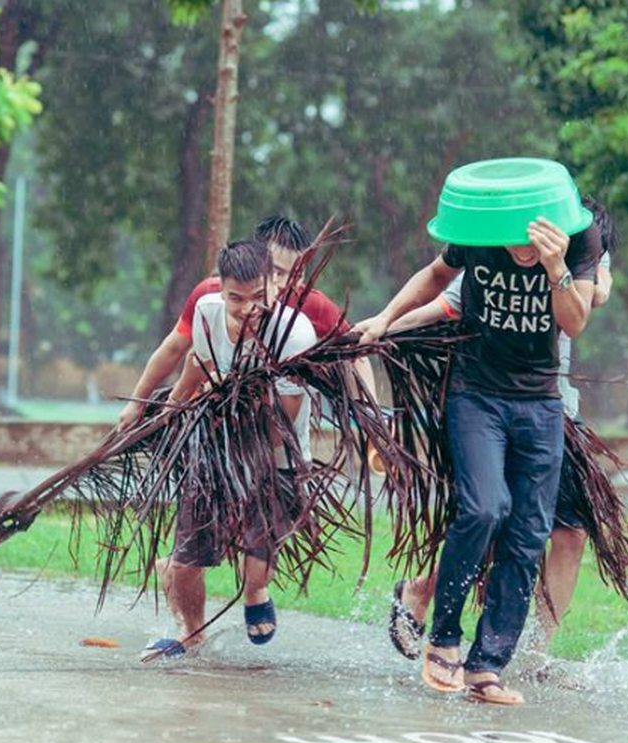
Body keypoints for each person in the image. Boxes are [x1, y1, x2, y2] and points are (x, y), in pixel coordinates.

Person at [355, 168, 602, 705]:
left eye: (531, 238)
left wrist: (557, 265)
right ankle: (443, 638)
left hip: (540, 403)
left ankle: (487, 666)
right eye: (514, 237)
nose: (522, 247)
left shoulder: (578, 237)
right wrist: (385, 318)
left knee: (529, 534)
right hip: (477, 395)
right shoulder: (480, 234)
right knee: (485, 508)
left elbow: (576, 320)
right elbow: (435, 278)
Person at [144, 240, 318, 659]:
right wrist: (169, 410)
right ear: (220, 289)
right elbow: (193, 365)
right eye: (235, 299)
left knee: (255, 567)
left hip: (276, 459)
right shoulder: (207, 313)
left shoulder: (294, 334)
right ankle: (190, 632)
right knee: (188, 561)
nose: (247, 309)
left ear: (275, 284)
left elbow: (281, 425)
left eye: (258, 298)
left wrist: (230, 393)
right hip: (215, 451)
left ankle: (256, 589)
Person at [117, 215, 372, 432]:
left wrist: (370, 414)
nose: (285, 284)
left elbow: (358, 353)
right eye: (278, 272)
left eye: (297, 275)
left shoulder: (310, 305)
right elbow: (175, 348)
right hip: (207, 415)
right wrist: (137, 403)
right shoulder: (211, 297)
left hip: (273, 425)